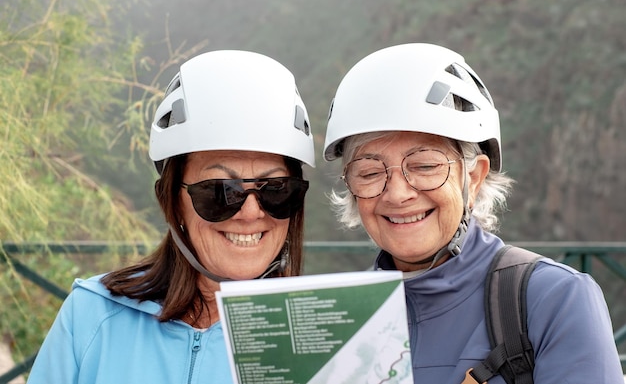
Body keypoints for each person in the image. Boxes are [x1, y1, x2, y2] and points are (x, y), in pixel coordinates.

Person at [323, 43, 623, 383]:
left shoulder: (553, 300)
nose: (398, 193)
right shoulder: (340, 319)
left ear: (474, 177)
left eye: (424, 165)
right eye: (370, 172)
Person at [27, 50, 315, 383]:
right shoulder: (92, 316)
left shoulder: (323, 341)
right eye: (220, 191)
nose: (251, 212)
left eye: (276, 190)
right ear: (173, 201)